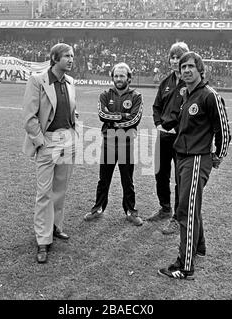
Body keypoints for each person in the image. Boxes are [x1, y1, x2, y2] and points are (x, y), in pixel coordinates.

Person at [158, 51, 231, 279]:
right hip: (182, 157)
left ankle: (185, 266)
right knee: (191, 206)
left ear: (201, 70)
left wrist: (218, 155)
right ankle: (199, 247)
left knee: (185, 211)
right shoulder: (187, 96)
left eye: (191, 66)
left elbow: (224, 131)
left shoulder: (209, 95)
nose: (187, 70)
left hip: (197, 158)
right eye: (183, 67)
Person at [22, 43, 78, 264]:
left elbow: (71, 110)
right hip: (48, 142)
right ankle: (43, 240)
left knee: (60, 190)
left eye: (73, 56)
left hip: (67, 141)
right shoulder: (37, 81)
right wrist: (41, 141)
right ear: (55, 58)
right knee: (44, 192)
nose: (71, 59)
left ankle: (55, 227)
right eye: (67, 56)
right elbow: (29, 116)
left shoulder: (71, 82)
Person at [84, 62, 144, 226]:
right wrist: (122, 116)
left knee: (127, 179)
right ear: (112, 78)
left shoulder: (136, 96)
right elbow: (102, 115)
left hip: (126, 143)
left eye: (122, 76)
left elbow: (134, 119)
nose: (118, 79)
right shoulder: (105, 94)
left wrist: (114, 119)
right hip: (108, 141)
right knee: (103, 178)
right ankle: (98, 208)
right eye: (116, 76)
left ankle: (131, 211)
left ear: (128, 78)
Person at [147, 42, 189, 235]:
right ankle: (165, 208)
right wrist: (158, 124)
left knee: (181, 179)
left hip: (181, 139)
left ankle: (177, 218)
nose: (174, 61)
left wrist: (178, 129)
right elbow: (156, 107)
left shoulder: (191, 83)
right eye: (172, 57)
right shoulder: (166, 82)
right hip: (163, 137)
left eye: (178, 57)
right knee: (160, 174)